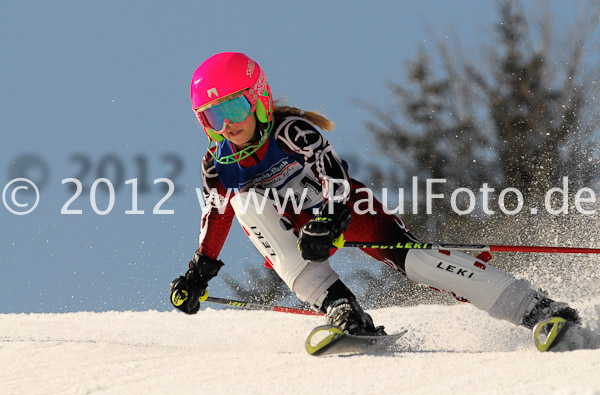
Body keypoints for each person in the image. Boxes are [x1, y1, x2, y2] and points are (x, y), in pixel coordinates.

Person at [170, 52, 580, 337]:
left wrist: (329, 219)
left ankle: (534, 307)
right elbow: (216, 215)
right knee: (245, 203)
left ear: (257, 99)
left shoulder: (290, 132)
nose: (227, 124)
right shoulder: (215, 165)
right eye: (213, 115)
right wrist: (199, 271)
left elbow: (335, 179)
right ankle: (341, 308)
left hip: (346, 210)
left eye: (234, 110)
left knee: (417, 261)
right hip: (294, 232)